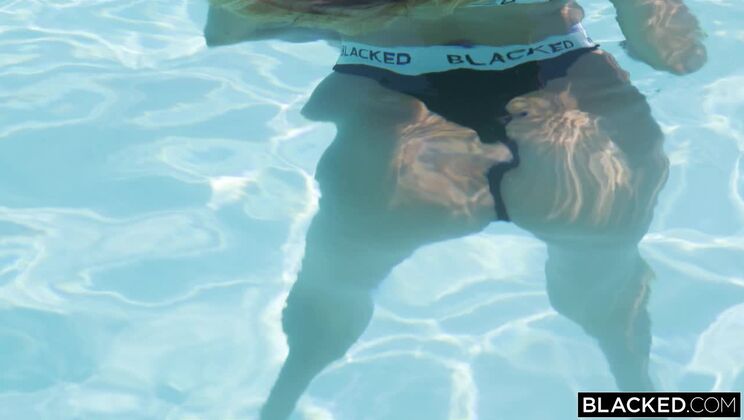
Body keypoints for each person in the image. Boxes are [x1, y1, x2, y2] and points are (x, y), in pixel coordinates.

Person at [204, 1, 706, 418]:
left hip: (396, 125)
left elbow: (229, 30)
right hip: (568, 110)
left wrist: (354, 18)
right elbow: (676, 56)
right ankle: (636, 387)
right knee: (607, 287)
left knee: (335, 288)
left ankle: (282, 398)